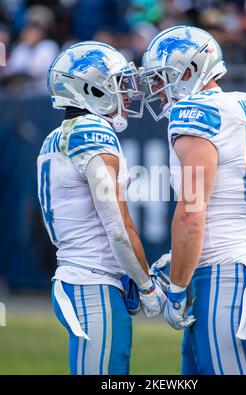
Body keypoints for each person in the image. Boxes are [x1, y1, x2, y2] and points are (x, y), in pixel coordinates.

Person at [140, 25, 246, 375]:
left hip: (221, 276)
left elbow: (192, 212)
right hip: (236, 265)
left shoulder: (196, 113)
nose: (157, 89)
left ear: (190, 71)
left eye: (162, 78)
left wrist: (177, 288)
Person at [37, 41, 166, 375]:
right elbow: (118, 229)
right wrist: (148, 286)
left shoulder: (57, 136)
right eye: (117, 84)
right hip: (92, 283)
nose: (126, 93)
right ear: (91, 89)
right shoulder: (91, 132)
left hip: (80, 275)